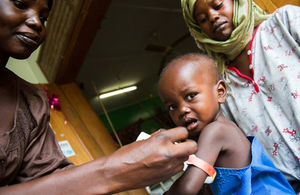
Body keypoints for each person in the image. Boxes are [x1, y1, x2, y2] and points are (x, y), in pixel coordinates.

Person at [0, 0, 198, 194]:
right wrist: (114, 171)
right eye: (20, 4)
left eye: (44, 18)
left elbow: (49, 180)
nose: (36, 22)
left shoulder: (32, 103)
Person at [181, 0, 300, 192]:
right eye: (202, 19)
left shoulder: (285, 23)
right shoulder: (219, 87)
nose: (212, 16)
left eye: (218, 5)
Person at [158, 53, 295, 195]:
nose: (182, 110)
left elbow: (188, 188)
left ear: (220, 92)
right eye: (172, 106)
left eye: (191, 96)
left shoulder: (215, 131)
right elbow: (212, 190)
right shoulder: (216, 135)